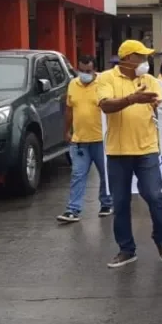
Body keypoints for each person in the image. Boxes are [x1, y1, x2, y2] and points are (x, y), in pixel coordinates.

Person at [97, 40, 162, 267]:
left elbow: (158, 103)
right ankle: (126, 249)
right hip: (118, 151)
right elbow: (106, 105)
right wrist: (131, 99)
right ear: (128, 58)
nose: (145, 62)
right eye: (141, 57)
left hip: (147, 149)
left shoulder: (150, 80)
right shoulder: (106, 78)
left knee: (155, 196)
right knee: (120, 203)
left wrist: (153, 103)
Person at [56, 55, 112, 222]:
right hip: (80, 141)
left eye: (88, 71)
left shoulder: (103, 84)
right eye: (82, 70)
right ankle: (73, 209)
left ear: (94, 69)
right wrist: (67, 131)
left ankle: (107, 203)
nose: (85, 74)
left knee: (106, 174)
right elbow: (69, 110)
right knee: (77, 175)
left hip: (101, 140)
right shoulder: (73, 84)